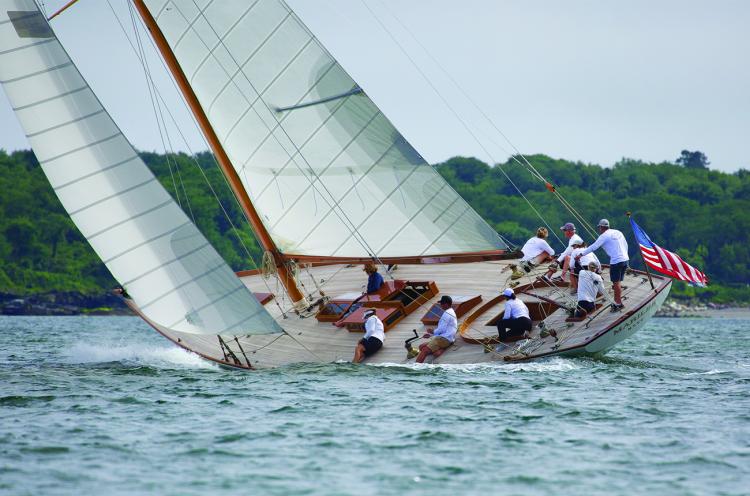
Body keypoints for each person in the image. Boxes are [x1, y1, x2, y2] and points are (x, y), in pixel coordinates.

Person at [575, 219, 628, 308]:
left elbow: (593, 247)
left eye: (599, 227)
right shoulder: (618, 232)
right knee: (619, 281)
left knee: (616, 282)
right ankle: (618, 300)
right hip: (625, 259)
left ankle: (618, 303)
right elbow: (625, 244)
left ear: (601, 227)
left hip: (616, 261)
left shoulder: (604, 236)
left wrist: (580, 255)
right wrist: (625, 256)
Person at [416, 295, 456, 363]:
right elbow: (444, 329)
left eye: (441, 303)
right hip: (448, 338)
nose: (440, 305)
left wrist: (432, 332)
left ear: (446, 304)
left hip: (444, 339)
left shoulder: (447, 314)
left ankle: (415, 369)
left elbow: (441, 330)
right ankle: (441, 349)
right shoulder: (451, 311)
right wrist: (432, 335)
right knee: (421, 346)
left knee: (424, 350)